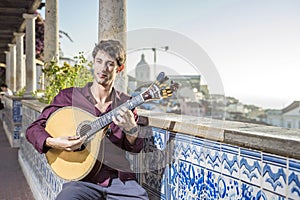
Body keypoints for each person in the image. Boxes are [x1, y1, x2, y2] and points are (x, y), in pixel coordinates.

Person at [26, 40, 149, 200]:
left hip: (118, 179)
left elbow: (134, 148)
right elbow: (33, 129)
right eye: (99, 61)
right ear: (93, 63)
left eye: (110, 64)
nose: (103, 69)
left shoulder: (127, 103)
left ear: (120, 68)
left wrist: (132, 129)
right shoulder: (69, 97)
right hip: (82, 179)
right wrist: (54, 142)